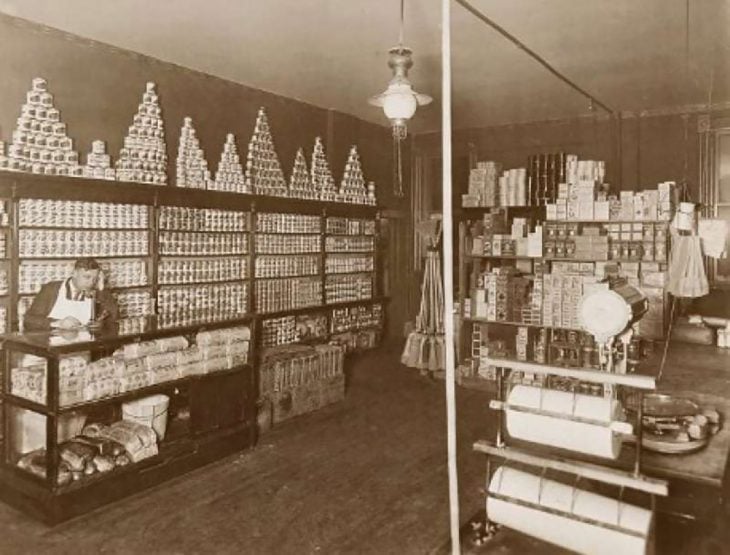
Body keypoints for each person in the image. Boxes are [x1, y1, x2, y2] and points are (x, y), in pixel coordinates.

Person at [24, 257, 118, 331]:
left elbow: (114, 317)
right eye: (87, 277)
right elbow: (29, 320)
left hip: (80, 348)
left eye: (95, 279)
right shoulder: (52, 289)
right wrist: (58, 323)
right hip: (49, 347)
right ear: (74, 273)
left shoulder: (95, 293)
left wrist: (102, 287)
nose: (91, 283)